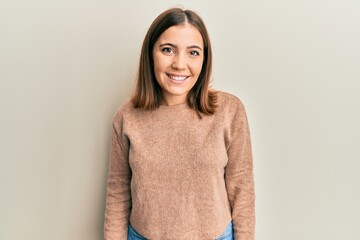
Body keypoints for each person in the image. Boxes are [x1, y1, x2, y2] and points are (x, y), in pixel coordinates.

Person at [104, 7, 255, 240]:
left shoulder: (230, 111)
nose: (179, 64)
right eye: (167, 50)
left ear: (204, 59)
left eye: (193, 52)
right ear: (150, 54)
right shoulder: (127, 117)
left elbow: (242, 190)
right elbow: (118, 193)